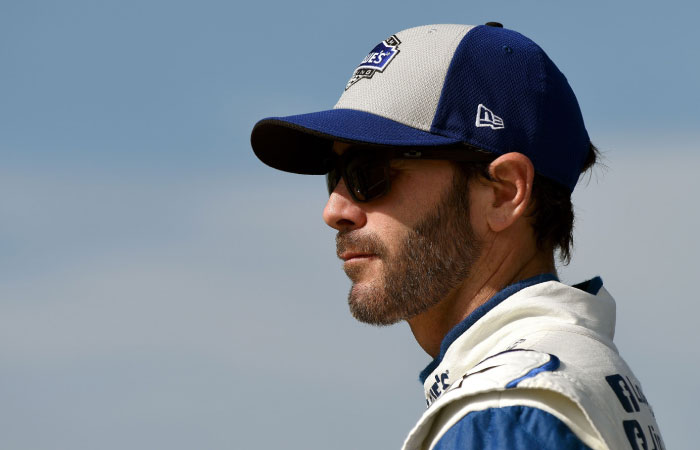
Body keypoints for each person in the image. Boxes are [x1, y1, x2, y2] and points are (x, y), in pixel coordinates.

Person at [250, 23, 664, 450]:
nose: (334, 211)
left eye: (367, 173)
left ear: (504, 193)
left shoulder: (505, 411)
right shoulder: (574, 377)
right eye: (334, 176)